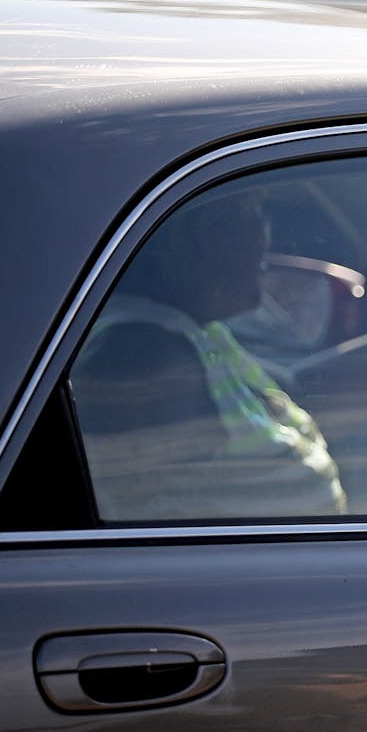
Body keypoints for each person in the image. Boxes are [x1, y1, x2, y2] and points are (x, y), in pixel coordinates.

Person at [70, 191, 348, 520]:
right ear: (183, 241)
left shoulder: (197, 332)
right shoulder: (146, 357)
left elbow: (298, 386)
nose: (263, 235)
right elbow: (159, 520)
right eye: (247, 218)